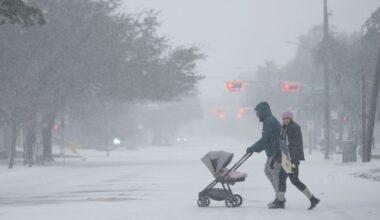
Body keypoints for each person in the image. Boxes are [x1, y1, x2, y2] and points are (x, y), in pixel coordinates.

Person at [270, 111, 320, 210]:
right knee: (283, 179)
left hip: (291, 160)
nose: (286, 120)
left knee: (294, 180)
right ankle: (281, 200)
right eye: (284, 119)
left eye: (287, 118)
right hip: (287, 159)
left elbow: (297, 144)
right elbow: (281, 145)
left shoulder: (294, 128)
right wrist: (275, 158)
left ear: (291, 118)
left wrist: (293, 159)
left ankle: (312, 199)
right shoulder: (284, 129)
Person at [246, 102, 282, 208]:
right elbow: (267, 140)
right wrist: (254, 149)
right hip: (274, 151)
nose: (256, 114)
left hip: (277, 152)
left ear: (262, 112)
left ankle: (280, 199)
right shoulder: (269, 120)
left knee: (274, 173)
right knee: (268, 171)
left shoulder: (269, 121)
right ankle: (279, 196)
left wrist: (253, 148)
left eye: (257, 112)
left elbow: (265, 139)